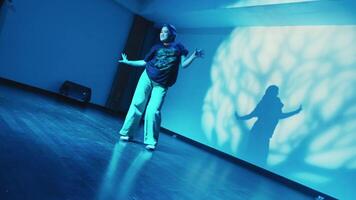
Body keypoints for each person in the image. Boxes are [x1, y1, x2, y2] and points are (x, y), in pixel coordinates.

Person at [118, 24, 203, 150]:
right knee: (137, 103)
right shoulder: (156, 47)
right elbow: (144, 62)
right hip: (147, 77)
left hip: (162, 84)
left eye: (165, 32)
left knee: (153, 110)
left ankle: (151, 141)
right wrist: (128, 62)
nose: (161, 34)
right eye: (161, 32)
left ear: (172, 35)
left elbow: (184, 64)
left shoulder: (179, 47)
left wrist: (193, 56)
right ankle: (127, 133)